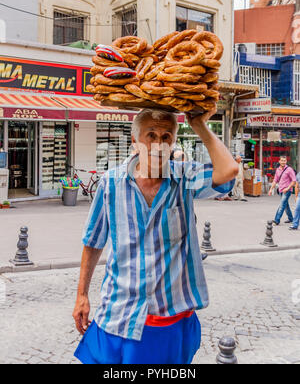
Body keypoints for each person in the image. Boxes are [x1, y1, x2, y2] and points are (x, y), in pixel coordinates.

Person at [72, 108, 238, 365]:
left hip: (169, 319)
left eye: (167, 136)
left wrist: (199, 126)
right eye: (151, 135)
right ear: (135, 143)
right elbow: (93, 242)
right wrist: (82, 295)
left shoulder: (185, 178)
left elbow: (228, 171)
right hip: (117, 314)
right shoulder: (110, 183)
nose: (159, 144)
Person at [268, 156, 296, 226]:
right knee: (285, 205)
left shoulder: (289, 169)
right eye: (282, 160)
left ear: (286, 161)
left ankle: (276, 220)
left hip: (287, 190)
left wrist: (288, 188)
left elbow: (294, 180)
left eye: (284, 160)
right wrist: (271, 189)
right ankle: (291, 219)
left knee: (282, 205)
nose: (283, 162)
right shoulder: (278, 170)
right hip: (280, 190)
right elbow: (275, 180)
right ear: (279, 161)